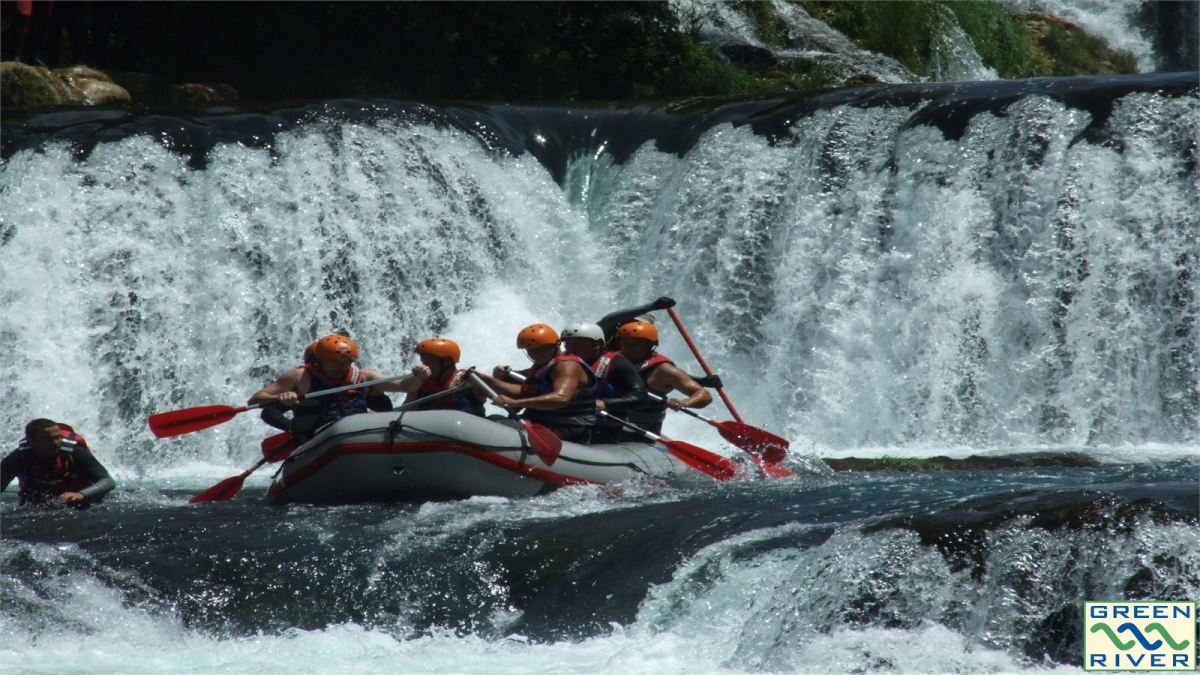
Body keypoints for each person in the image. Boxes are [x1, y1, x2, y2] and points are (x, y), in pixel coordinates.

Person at [248, 334, 428, 445]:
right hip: (317, 439)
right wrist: (281, 397)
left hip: (359, 435)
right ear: (320, 360)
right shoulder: (299, 376)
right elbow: (255, 399)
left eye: (345, 362)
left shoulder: (365, 376)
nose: (340, 367)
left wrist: (419, 377)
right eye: (333, 362)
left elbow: (405, 386)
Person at [473, 323, 597, 443]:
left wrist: (515, 403)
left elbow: (561, 398)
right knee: (493, 419)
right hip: (543, 423)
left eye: (540, 348)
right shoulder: (543, 366)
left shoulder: (567, 365)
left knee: (495, 426)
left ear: (555, 345)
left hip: (569, 429)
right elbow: (522, 393)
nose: (534, 354)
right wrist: (486, 379)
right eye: (530, 350)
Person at [260, 339, 395, 434]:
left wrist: (376, 394)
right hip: (317, 439)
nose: (337, 367)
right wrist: (291, 427)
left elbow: (386, 408)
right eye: (332, 362)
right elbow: (269, 411)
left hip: (356, 435)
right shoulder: (303, 383)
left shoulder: (354, 383)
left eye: (342, 362)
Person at [616, 320, 713, 435]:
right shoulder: (613, 359)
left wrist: (684, 402)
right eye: (625, 343)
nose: (630, 348)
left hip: (641, 431)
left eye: (637, 344)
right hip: (611, 420)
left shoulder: (664, 371)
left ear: (650, 346)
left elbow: (705, 395)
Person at [559, 322, 647, 443]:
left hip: (603, 429)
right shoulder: (561, 362)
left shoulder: (618, 364)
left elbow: (641, 397)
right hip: (569, 422)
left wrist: (606, 403)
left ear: (597, 344)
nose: (571, 350)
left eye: (578, 344)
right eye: (568, 344)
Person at [1, 419, 115, 508]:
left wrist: (82, 494)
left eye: (58, 437)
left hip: (78, 501)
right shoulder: (19, 457)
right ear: (31, 441)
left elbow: (107, 481)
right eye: (48, 439)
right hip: (37, 503)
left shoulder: (74, 453)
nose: (56, 443)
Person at [406, 338, 487, 415]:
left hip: (466, 423)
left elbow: (493, 393)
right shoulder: (420, 381)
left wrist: (481, 379)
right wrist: (416, 382)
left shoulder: (469, 380)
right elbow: (407, 409)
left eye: (428, 362)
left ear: (447, 362)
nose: (424, 367)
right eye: (423, 362)